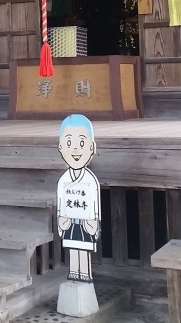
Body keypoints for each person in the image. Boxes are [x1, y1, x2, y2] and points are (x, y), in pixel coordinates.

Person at [56, 114, 100, 282]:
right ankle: (74, 271)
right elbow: (61, 202)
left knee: (83, 248)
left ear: (92, 147)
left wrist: (94, 221)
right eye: (69, 143)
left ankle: (85, 273)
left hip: (86, 222)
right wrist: (62, 219)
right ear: (60, 147)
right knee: (73, 247)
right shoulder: (63, 180)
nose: (75, 149)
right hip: (70, 222)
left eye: (81, 143)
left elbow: (94, 203)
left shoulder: (90, 180)